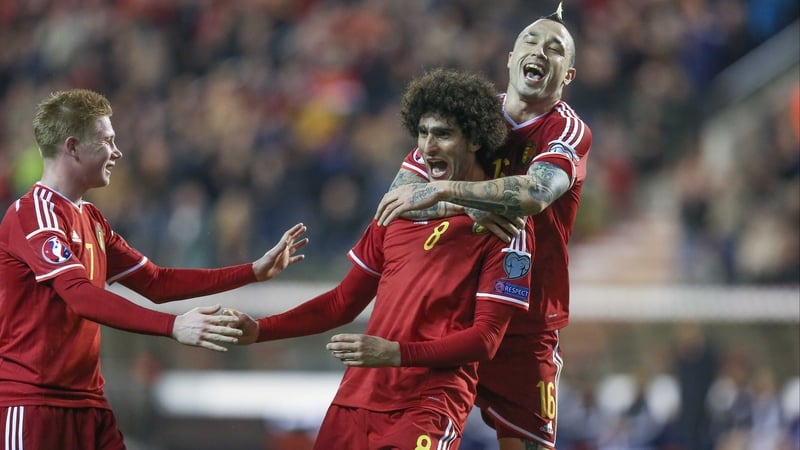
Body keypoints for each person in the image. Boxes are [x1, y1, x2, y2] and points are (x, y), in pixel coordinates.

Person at [232, 68, 534, 450]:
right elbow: (343, 302)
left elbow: (485, 340)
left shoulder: (505, 227)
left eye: (443, 134)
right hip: (355, 400)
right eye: (422, 133)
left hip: (427, 404)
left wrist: (395, 353)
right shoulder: (398, 210)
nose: (429, 146)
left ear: (474, 139)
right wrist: (261, 330)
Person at [0, 88, 308, 450]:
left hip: (88, 404)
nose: (117, 151)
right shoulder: (33, 214)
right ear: (73, 147)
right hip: (34, 404)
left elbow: (156, 282)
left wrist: (252, 271)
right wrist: (172, 326)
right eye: (107, 140)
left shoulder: (91, 218)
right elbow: (80, 295)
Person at [374, 5, 592, 450]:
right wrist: (464, 203)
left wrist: (444, 190)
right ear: (511, 58)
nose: (540, 51)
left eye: (555, 49)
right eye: (531, 41)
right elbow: (398, 199)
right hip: (446, 312)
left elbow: (536, 192)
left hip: (524, 321)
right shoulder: (467, 114)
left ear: (568, 75)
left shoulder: (567, 130)